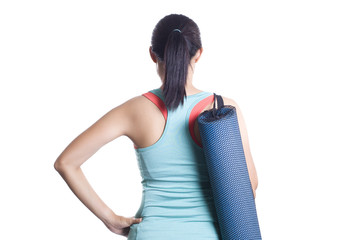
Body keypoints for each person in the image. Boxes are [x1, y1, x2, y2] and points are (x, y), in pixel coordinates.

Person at [54, 13, 258, 239]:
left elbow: (66, 162)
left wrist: (109, 218)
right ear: (198, 54)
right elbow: (248, 188)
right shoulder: (223, 109)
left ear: (153, 54)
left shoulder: (134, 110)